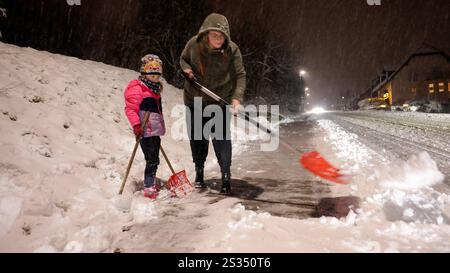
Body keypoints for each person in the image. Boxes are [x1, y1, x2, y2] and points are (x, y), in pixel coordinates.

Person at [180, 13, 246, 194]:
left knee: (221, 138)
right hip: (195, 99)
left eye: (222, 35)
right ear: (206, 33)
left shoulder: (232, 50)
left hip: (220, 101)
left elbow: (240, 75)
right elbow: (183, 59)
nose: (218, 39)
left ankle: (226, 174)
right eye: (214, 35)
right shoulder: (194, 44)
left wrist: (236, 98)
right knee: (198, 138)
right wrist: (186, 69)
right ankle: (199, 172)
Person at [124, 54, 165, 199]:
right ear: (144, 73)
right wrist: (136, 125)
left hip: (154, 131)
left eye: (157, 75)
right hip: (144, 131)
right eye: (151, 74)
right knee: (152, 159)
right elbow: (130, 109)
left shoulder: (154, 90)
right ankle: (148, 186)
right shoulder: (138, 88)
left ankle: (150, 182)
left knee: (154, 159)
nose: (154, 77)